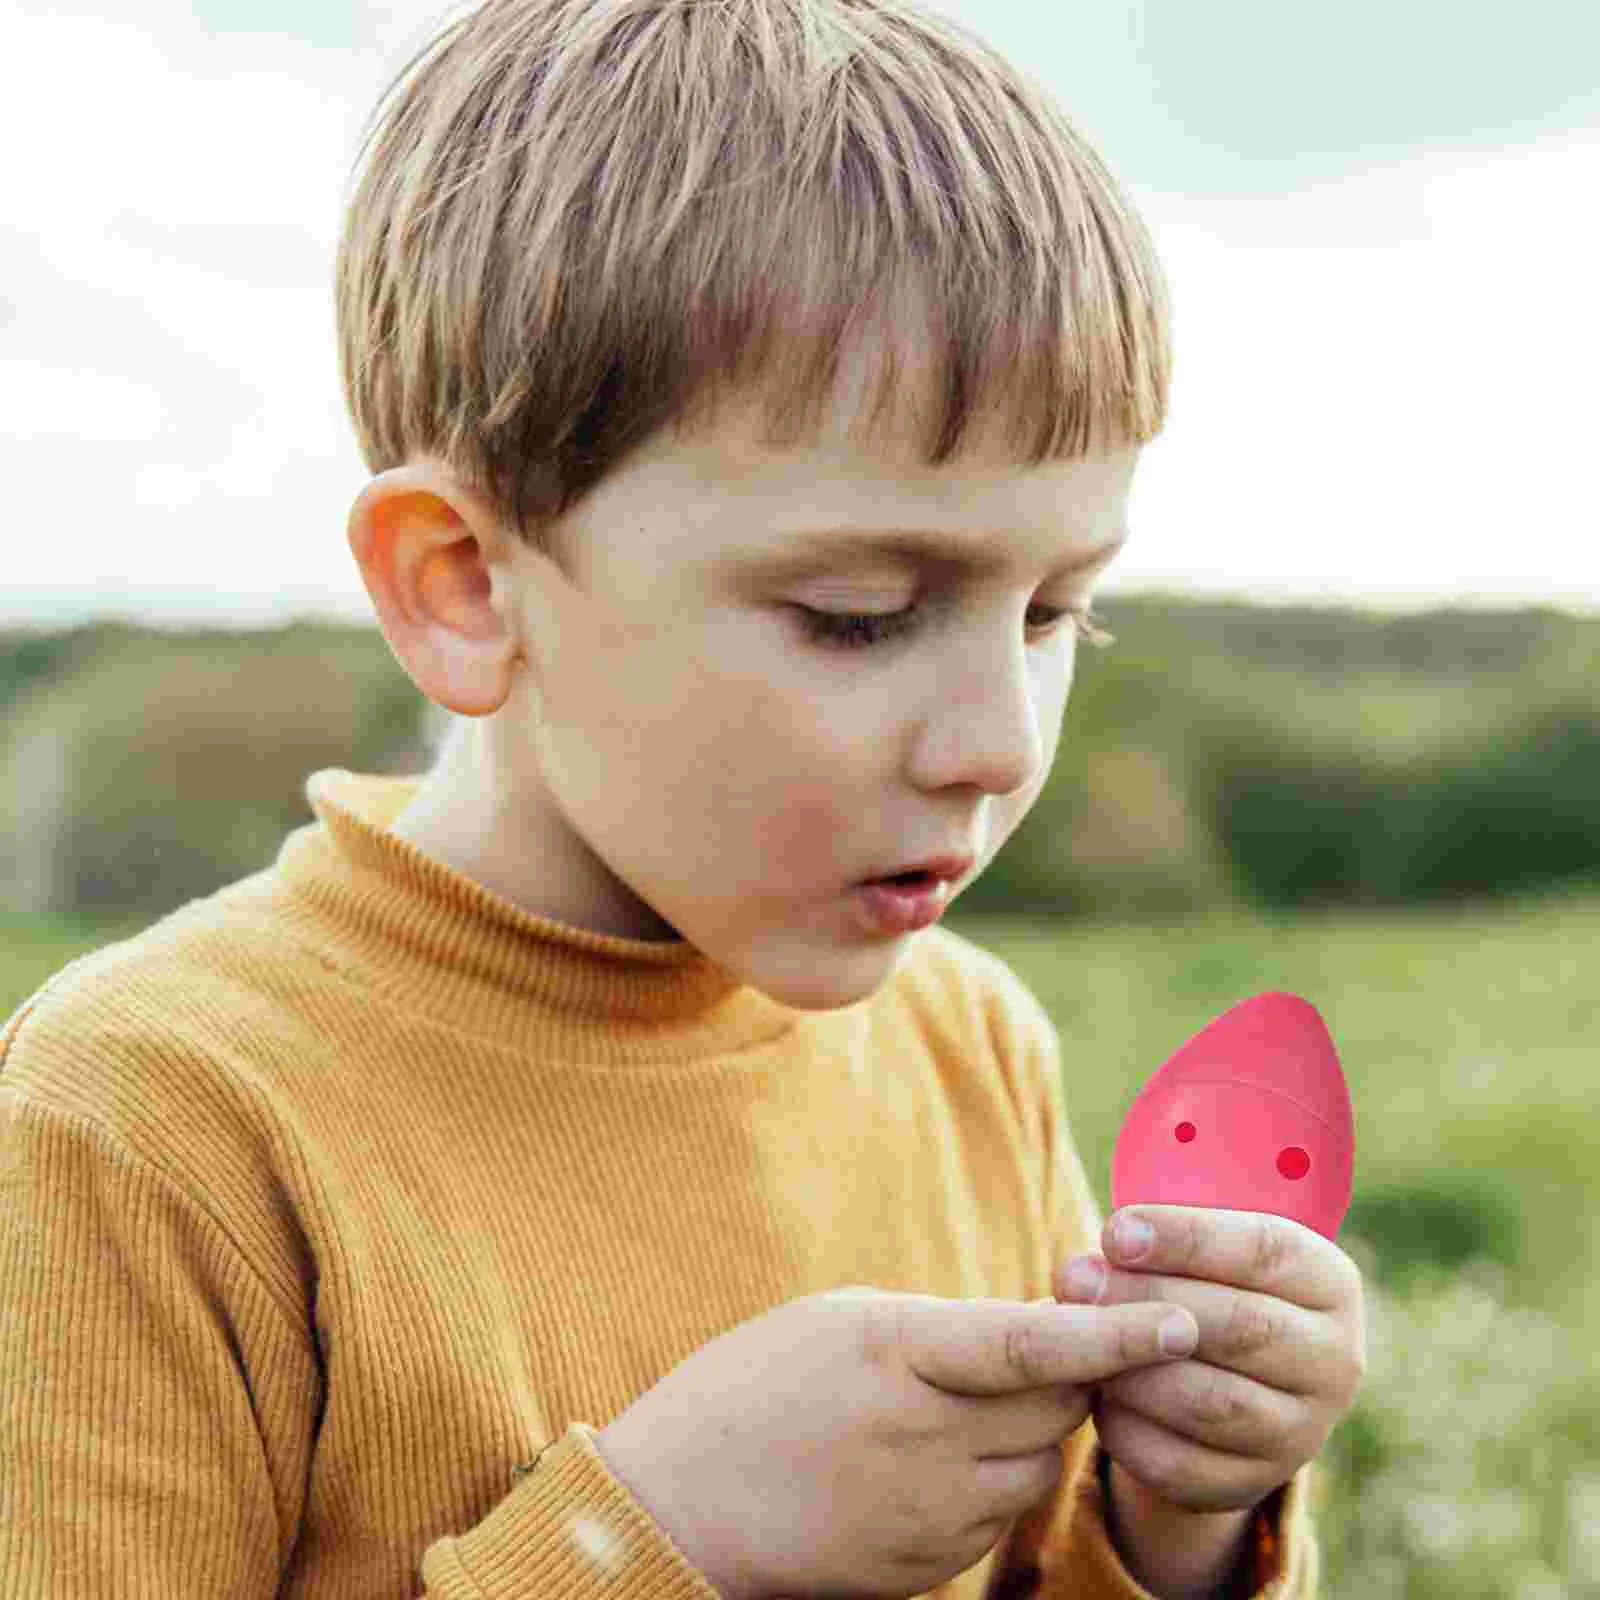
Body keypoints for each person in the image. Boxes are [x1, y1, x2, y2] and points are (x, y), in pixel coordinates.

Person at [0, 0, 1366, 1594]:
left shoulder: (971, 1050)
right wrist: (647, 1543)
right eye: (859, 614)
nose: (999, 740)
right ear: (463, 587)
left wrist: (1177, 1516)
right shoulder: (146, 1124)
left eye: (1055, 611)